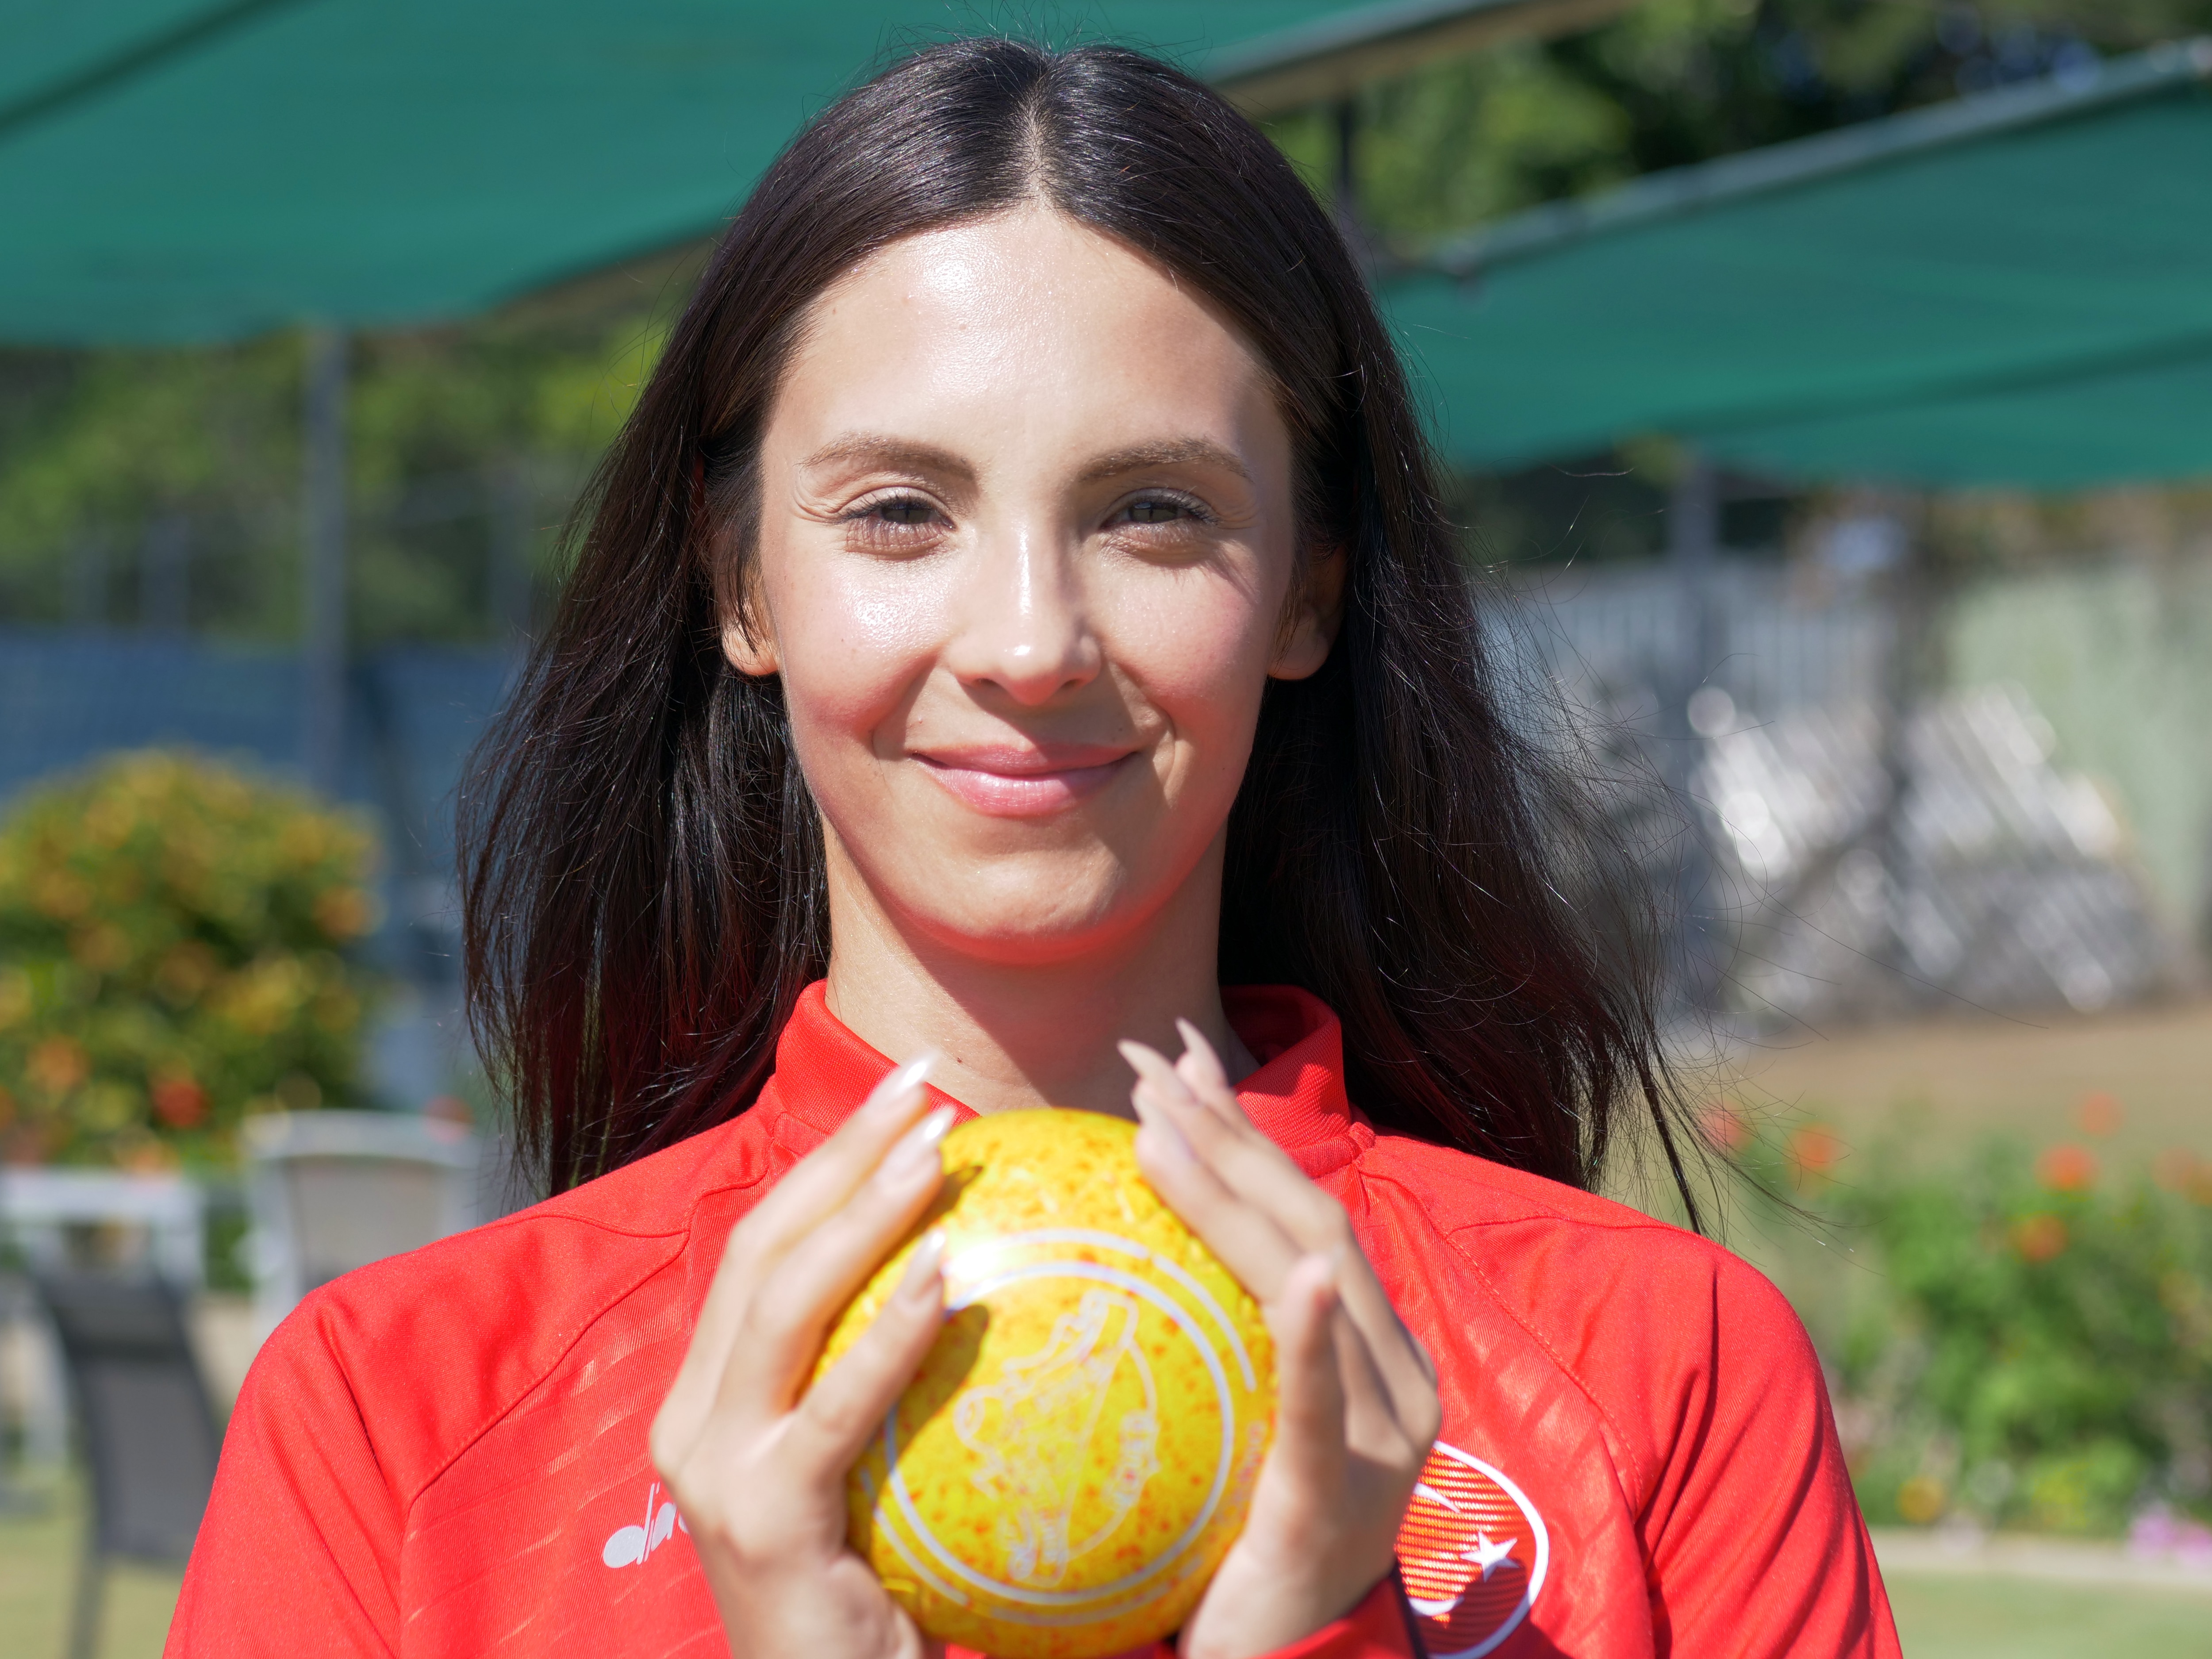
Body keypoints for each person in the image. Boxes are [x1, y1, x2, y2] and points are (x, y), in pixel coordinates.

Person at [168, 38, 1898, 1659]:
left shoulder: (1662, 1369)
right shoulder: (394, 1413)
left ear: (1308, 585)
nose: (1024, 640)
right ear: (740, 584)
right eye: (898, 511)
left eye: (1150, 509)